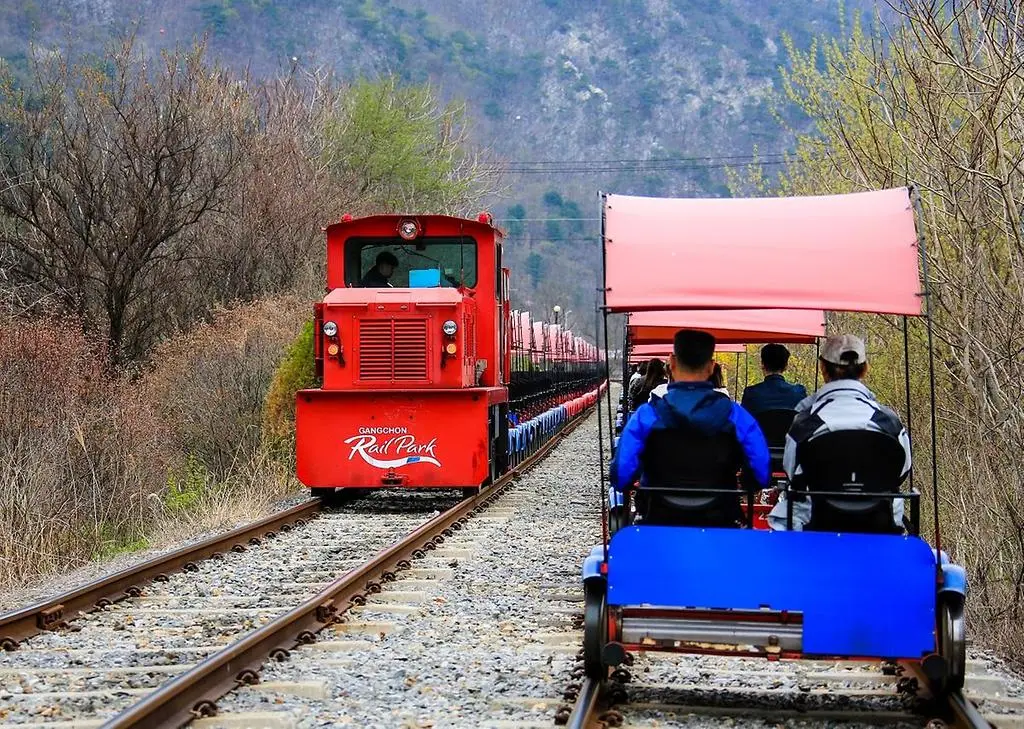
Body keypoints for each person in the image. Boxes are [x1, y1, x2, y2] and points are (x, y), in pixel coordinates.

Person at [610, 330, 769, 524]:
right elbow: (761, 472)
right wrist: (746, 481)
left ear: (672, 363)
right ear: (711, 367)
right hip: (721, 518)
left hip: (658, 517)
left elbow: (621, 475)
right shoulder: (736, 416)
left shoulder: (647, 415)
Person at [767, 334, 911, 531]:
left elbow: (791, 470)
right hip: (880, 521)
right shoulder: (888, 421)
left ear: (823, 369)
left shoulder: (806, 422)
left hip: (815, 522)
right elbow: (902, 470)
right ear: (865, 368)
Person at [740, 343, 807, 415]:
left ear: (762, 364)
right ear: (786, 366)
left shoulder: (751, 394)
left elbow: (741, 422)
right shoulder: (799, 392)